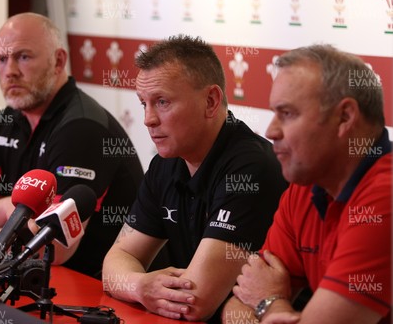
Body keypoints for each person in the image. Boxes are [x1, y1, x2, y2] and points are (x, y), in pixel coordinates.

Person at [102, 35, 288, 322]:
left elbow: (193, 302)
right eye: (144, 104)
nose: (148, 119)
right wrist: (139, 286)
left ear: (211, 101)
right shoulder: (165, 164)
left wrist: (135, 283)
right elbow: (115, 261)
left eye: (162, 102)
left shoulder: (251, 167)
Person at [0, 12, 142, 279]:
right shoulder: (3, 122)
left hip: (94, 284)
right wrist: (7, 209)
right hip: (33, 273)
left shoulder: (82, 127)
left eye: (23, 57)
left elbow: (55, 248)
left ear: (58, 61)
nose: (9, 71)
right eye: (1, 59)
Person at [222, 45, 393, 324]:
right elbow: (237, 306)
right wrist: (271, 307)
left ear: (345, 118)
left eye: (287, 113)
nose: (270, 131)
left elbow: (258, 298)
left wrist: (270, 303)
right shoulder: (306, 186)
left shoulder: (390, 196)